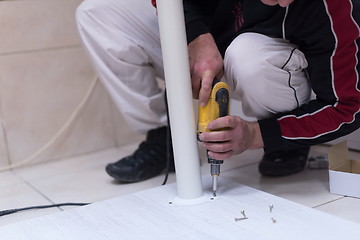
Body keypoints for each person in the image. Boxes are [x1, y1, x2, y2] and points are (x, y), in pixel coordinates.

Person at [76, 0, 360, 182]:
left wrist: (257, 135)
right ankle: (166, 139)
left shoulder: (339, 7)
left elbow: (347, 106)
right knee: (97, 13)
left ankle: (284, 142)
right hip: (208, 33)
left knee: (248, 56)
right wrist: (194, 35)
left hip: (266, 64)